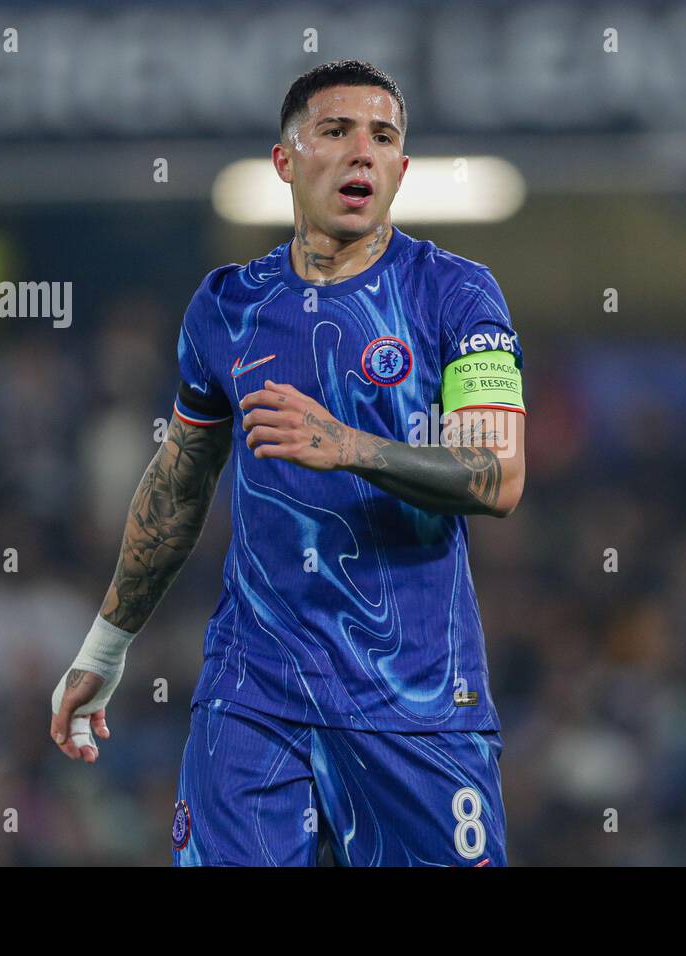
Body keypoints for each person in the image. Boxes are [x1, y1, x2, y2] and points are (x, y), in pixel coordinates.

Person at [50, 59, 527, 866]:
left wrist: (349, 447)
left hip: (416, 699)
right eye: (336, 132)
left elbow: (498, 477)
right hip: (254, 696)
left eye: (382, 138)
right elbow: (179, 483)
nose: (362, 154)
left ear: (402, 170)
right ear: (287, 160)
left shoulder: (456, 294)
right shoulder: (228, 307)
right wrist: (105, 646)